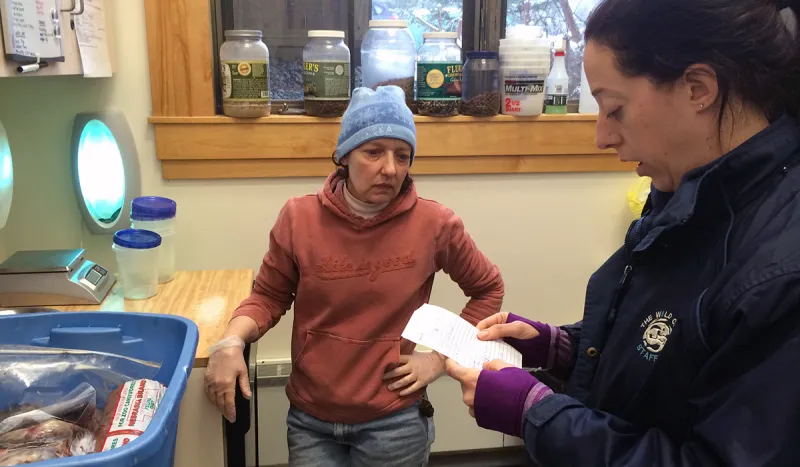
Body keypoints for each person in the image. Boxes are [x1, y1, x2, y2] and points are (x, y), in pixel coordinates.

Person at [447, 0, 800, 465]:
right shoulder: (689, 190)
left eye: (614, 110)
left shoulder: (779, 275)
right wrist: (563, 348)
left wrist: (538, 414)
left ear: (698, 88)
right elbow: (668, 351)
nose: (601, 136)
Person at [204, 86, 504, 467]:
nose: (391, 168)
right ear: (345, 155)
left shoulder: (436, 224)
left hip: (394, 421)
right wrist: (230, 343)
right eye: (373, 152)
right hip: (312, 419)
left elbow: (488, 289)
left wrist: (439, 361)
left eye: (403, 155)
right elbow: (268, 295)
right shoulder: (298, 218)